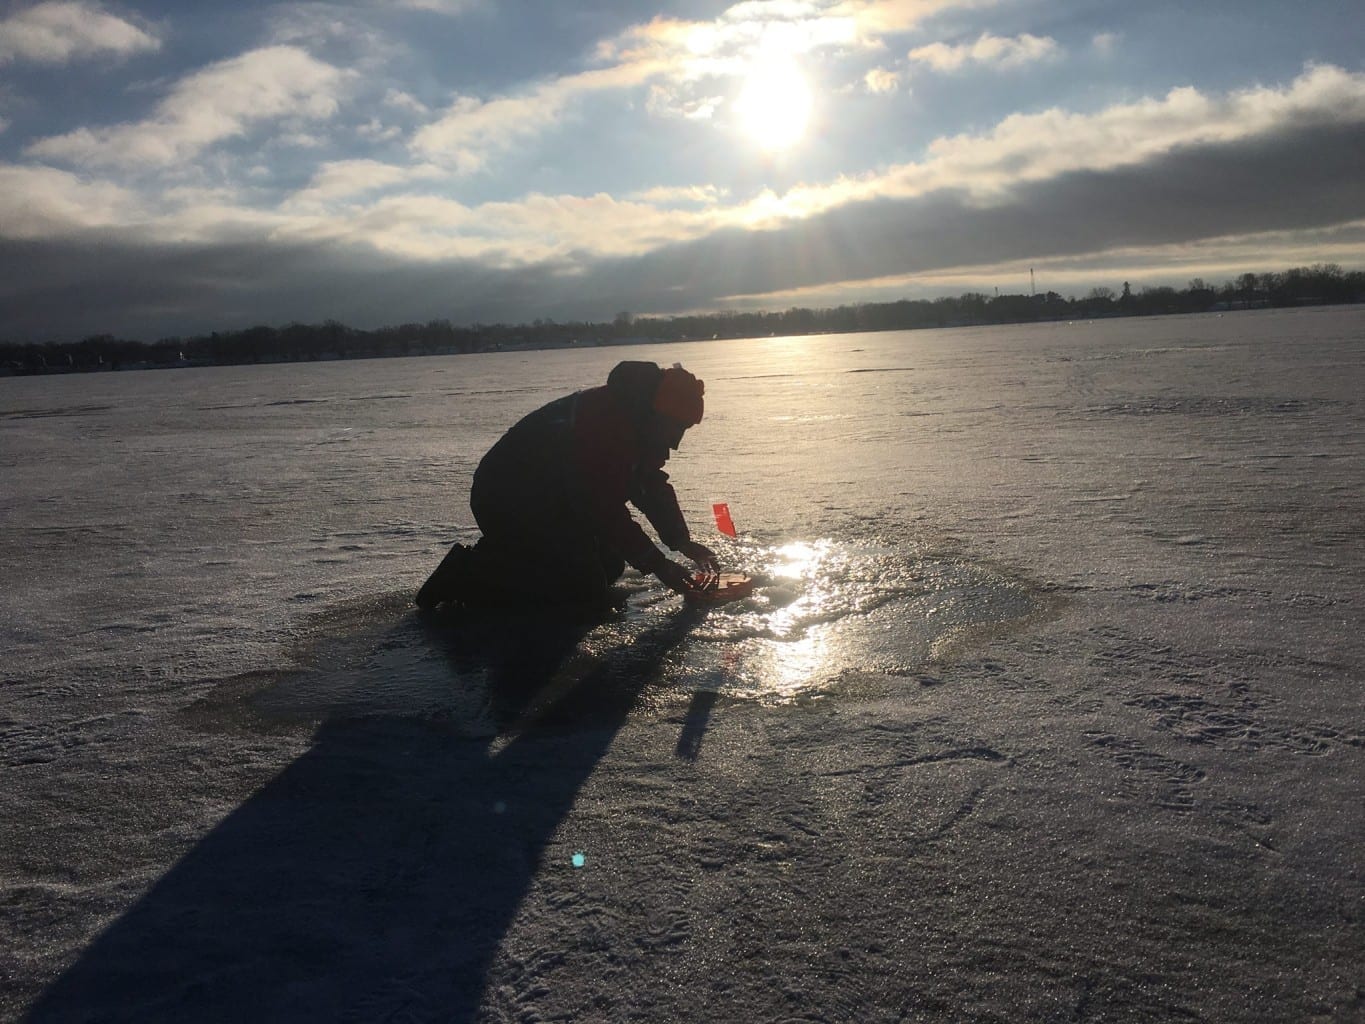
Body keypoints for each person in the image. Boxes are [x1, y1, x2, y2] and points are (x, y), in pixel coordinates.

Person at [416, 360, 719, 610]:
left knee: (609, 566)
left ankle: (515, 558)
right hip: (507, 500)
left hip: (555, 500)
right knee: (582, 591)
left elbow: (648, 482)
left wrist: (680, 540)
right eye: (677, 427)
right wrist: (659, 565)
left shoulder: (639, 421)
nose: (676, 441)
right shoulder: (604, 423)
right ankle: (470, 573)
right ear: (658, 413)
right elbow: (602, 508)